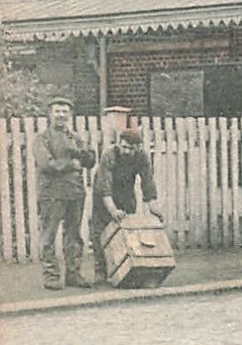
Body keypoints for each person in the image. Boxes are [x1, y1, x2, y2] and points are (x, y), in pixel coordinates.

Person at [33, 97, 96, 290]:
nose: (61, 115)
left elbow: (90, 160)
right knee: (49, 236)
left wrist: (80, 153)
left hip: (75, 193)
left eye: (64, 111)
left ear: (70, 115)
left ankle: (73, 274)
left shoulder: (75, 137)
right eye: (57, 111)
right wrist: (71, 164)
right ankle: (51, 276)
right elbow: (46, 164)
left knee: (74, 235)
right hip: (52, 193)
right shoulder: (42, 138)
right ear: (50, 114)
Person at [91, 118, 158, 286]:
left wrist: (154, 208)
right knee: (101, 230)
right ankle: (100, 271)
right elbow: (104, 187)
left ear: (138, 148)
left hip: (126, 192)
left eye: (131, 148)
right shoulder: (109, 154)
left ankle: (129, 269)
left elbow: (147, 183)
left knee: (127, 230)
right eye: (124, 147)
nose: (126, 151)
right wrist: (113, 210)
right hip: (103, 193)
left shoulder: (142, 157)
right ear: (119, 144)